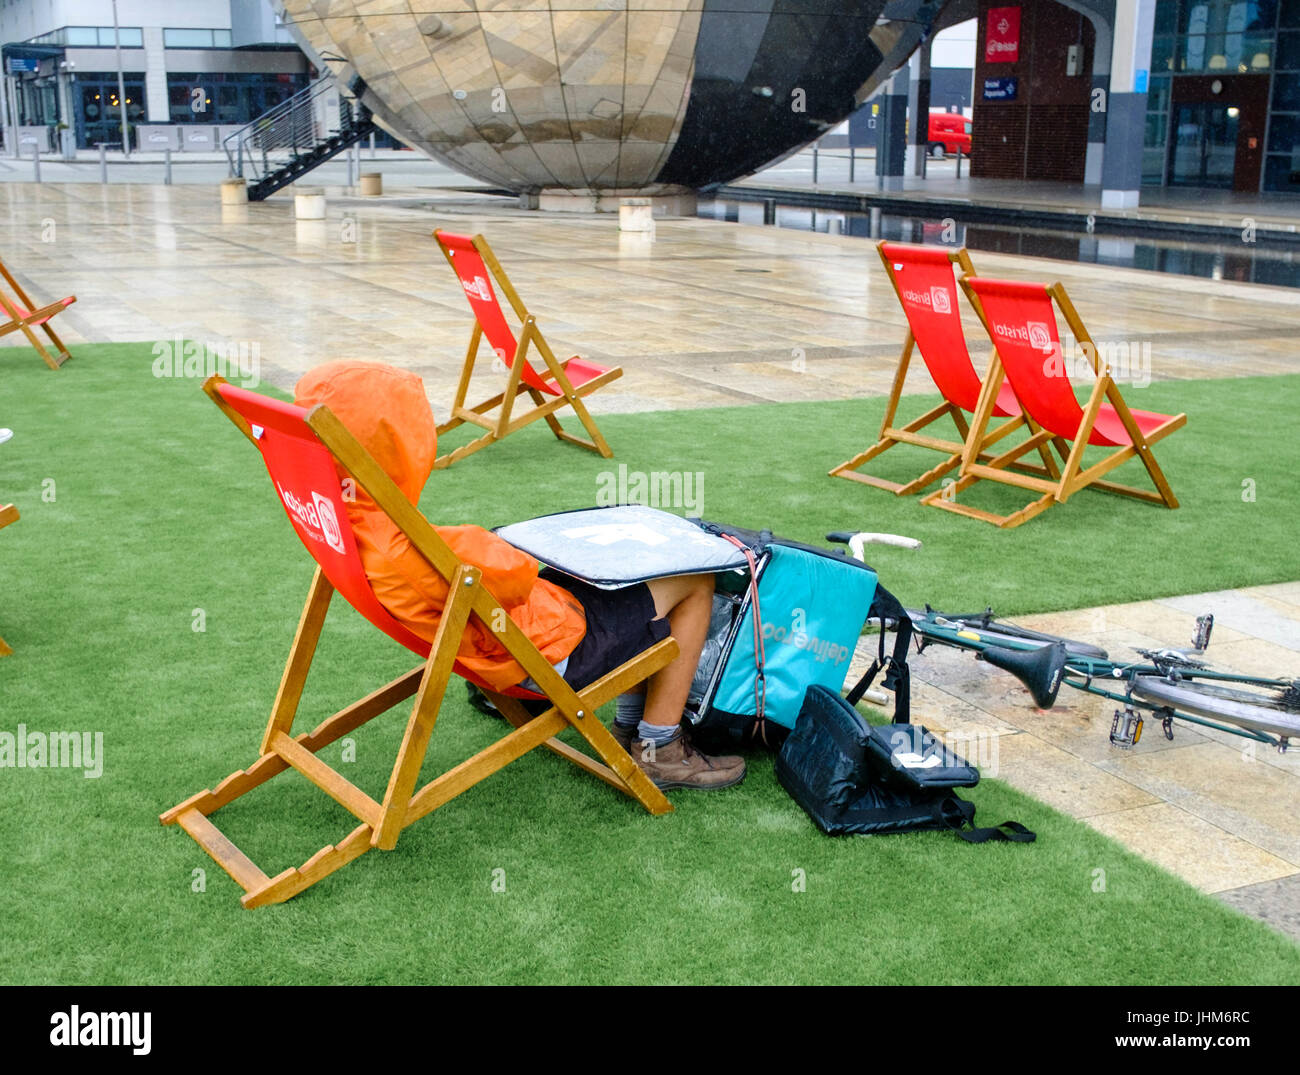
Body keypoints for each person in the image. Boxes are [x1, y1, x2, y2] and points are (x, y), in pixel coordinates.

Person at [294, 360, 744, 791]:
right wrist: (488, 546)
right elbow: (516, 576)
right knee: (693, 580)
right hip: (539, 651)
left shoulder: (340, 520)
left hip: (497, 640)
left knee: (624, 583)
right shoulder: (406, 546)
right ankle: (658, 745)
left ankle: (631, 723)